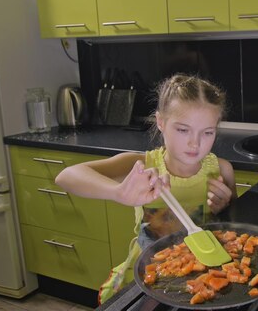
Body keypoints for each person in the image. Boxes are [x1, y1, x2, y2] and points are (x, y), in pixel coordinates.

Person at [55, 74, 236, 304]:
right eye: (183, 130)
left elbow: (234, 228)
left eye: (207, 132)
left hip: (203, 277)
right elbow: (67, 176)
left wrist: (224, 208)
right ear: (161, 122)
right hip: (149, 276)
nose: (195, 143)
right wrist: (117, 192)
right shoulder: (143, 166)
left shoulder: (221, 170)